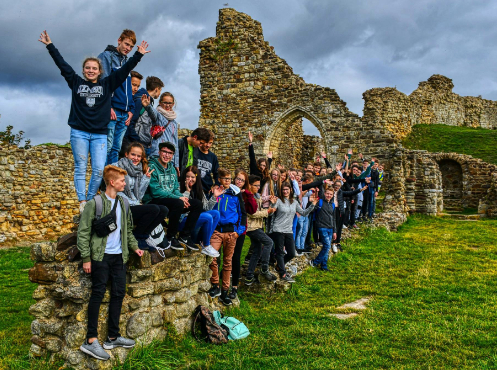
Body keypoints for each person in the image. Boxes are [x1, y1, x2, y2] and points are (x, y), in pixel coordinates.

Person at [38, 30, 149, 213]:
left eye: (94, 68)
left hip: (99, 134)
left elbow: (124, 71)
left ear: (99, 71)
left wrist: (138, 55)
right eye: (87, 68)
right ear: (83, 70)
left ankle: (90, 199)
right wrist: (50, 45)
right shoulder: (76, 82)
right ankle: (83, 201)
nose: (90, 71)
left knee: (99, 170)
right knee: (81, 167)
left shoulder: (106, 85)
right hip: (79, 132)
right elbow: (62, 65)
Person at [77, 165, 143, 361]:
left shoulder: (123, 203)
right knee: (97, 294)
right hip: (100, 257)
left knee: (118, 293)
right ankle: (90, 340)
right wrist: (86, 258)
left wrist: (134, 247)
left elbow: (128, 229)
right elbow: (83, 233)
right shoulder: (95, 203)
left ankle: (112, 337)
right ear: (112, 182)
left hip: (119, 257)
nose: (126, 183)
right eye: (123, 180)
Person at [142, 142, 203, 251]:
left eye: (170, 153)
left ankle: (184, 236)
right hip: (154, 200)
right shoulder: (152, 166)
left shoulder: (172, 169)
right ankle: (170, 237)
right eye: (164, 152)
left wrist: (182, 197)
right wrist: (178, 198)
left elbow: (175, 188)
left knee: (197, 204)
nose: (167, 155)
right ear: (159, 152)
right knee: (178, 203)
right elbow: (156, 191)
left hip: (171, 201)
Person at [111, 142, 168, 249]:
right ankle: (138, 236)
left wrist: (146, 179)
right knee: (154, 209)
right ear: (126, 154)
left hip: (133, 205)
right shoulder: (116, 168)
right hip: (120, 207)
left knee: (164, 210)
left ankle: (143, 236)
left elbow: (139, 195)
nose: (136, 158)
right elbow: (117, 192)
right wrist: (135, 203)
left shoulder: (139, 171)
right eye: (133, 154)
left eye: (139, 156)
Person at [98, 30, 138, 166]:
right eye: (126, 44)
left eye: (131, 47)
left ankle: (112, 181)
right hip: (112, 110)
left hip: (124, 113)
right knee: (107, 148)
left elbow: (128, 90)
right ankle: (103, 182)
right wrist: (107, 106)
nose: (128, 49)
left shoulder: (126, 61)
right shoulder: (106, 57)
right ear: (119, 40)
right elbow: (103, 84)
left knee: (116, 149)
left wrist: (131, 110)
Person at [208, 169, 247, 306]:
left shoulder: (235, 194)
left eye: (229, 179)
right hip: (217, 230)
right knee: (212, 258)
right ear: (219, 179)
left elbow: (243, 214)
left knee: (227, 262)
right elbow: (208, 208)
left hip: (231, 232)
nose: (228, 181)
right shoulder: (215, 192)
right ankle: (215, 285)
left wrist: (238, 231)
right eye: (225, 179)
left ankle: (225, 290)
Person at [269, 182, 318, 282]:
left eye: (287, 189)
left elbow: (303, 213)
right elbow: (270, 215)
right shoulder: (278, 200)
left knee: (291, 253)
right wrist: (273, 204)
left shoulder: (294, 202)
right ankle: (283, 273)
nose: (285, 191)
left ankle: (279, 265)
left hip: (289, 230)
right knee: (279, 252)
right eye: (283, 190)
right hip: (278, 229)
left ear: (290, 190)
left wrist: (312, 204)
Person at [178, 165, 220, 258]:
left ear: (196, 178)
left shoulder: (198, 190)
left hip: (194, 220)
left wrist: (214, 197)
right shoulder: (179, 187)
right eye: (187, 177)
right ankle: (206, 245)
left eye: (192, 177)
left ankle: (203, 241)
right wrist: (187, 192)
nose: (190, 179)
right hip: (182, 221)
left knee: (216, 214)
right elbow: (181, 207)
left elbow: (207, 208)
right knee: (207, 217)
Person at [229, 170, 257, 299]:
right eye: (238, 179)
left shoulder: (246, 195)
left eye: (242, 180)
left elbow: (253, 210)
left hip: (240, 230)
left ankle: (234, 285)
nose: (239, 182)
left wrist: (249, 194)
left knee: (236, 256)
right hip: (227, 228)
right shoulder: (228, 191)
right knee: (224, 257)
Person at [245, 175, 278, 285]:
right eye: (256, 185)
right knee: (269, 242)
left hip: (257, 226)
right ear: (249, 185)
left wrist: (270, 208)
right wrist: (267, 212)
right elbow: (253, 214)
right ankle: (264, 268)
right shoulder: (248, 197)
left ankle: (249, 276)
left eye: (259, 185)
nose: (258, 187)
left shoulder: (256, 195)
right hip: (252, 227)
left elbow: (259, 210)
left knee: (257, 251)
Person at [126, 76, 164, 152]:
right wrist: (137, 141)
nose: (160, 93)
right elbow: (131, 122)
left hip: (143, 144)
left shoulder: (148, 101)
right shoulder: (140, 101)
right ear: (156, 89)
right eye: (160, 90)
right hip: (137, 144)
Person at [148, 92, 180, 170]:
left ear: (173, 104)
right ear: (160, 103)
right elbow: (152, 113)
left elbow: (176, 144)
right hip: (157, 156)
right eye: (165, 102)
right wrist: (147, 106)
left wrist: (177, 164)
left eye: (170, 103)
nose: (167, 105)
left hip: (170, 158)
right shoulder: (158, 116)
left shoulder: (174, 123)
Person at [309, 187, 337, 271]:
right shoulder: (320, 202)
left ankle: (324, 266)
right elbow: (312, 210)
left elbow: (334, 218)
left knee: (326, 246)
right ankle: (315, 262)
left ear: (332, 195)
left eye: (330, 194)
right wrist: (312, 203)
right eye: (327, 193)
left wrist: (335, 231)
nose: (329, 195)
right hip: (321, 227)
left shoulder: (332, 205)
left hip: (330, 227)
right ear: (324, 193)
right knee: (327, 245)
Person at [196, 128, 220, 196]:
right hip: (194, 189)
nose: (208, 145)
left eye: (210, 143)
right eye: (206, 142)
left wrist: (216, 185)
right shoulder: (195, 152)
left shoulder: (213, 157)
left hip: (207, 190)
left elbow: (217, 173)